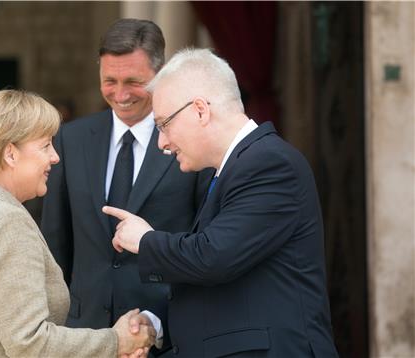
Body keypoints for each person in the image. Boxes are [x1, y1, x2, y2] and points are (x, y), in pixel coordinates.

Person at [103, 48, 339, 357]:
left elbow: (213, 257)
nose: (161, 143)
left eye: (163, 125)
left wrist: (145, 240)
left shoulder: (268, 163)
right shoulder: (234, 168)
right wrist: (154, 322)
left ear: (200, 110)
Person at [0, 89, 156, 357]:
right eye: (45, 145)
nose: (55, 157)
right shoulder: (5, 222)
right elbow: (30, 343)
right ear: (10, 154)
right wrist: (116, 341)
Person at [40, 18, 211, 353]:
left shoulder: (193, 144)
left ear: (161, 75)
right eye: (109, 81)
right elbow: (55, 246)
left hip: (170, 335)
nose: (120, 94)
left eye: (134, 81)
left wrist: (158, 323)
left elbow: (204, 245)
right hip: (83, 336)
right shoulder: (69, 140)